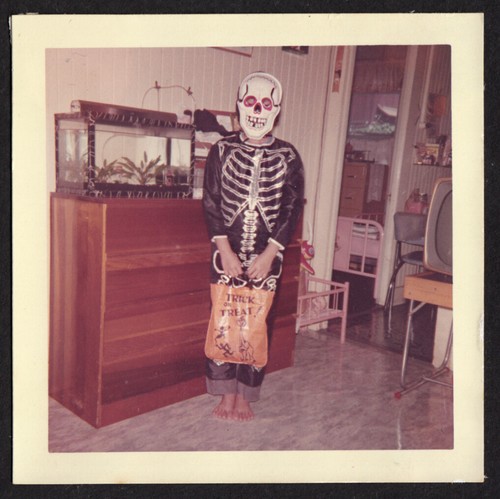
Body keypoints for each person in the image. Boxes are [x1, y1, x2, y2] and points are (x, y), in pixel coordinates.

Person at [202, 71, 304, 421]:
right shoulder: (221, 149)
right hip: (225, 252)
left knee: (256, 324)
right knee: (224, 321)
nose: (257, 110)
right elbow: (212, 202)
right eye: (250, 102)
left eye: (265, 103)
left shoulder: (289, 156)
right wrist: (225, 251)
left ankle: (245, 394)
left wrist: (271, 252)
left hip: (267, 254)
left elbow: (291, 208)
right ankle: (226, 392)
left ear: (276, 109)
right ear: (238, 106)